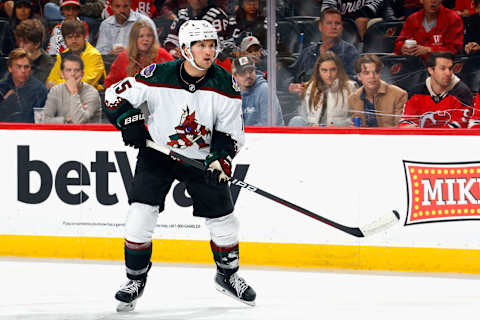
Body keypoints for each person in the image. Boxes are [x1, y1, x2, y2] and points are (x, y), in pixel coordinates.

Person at [103, 20, 255, 312]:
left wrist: (221, 158)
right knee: (139, 215)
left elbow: (231, 132)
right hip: (159, 153)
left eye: (211, 44)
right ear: (185, 49)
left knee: (224, 221)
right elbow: (113, 95)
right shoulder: (158, 74)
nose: (208, 51)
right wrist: (128, 119)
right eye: (201, 45)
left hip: (201, 159)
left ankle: (228, 276)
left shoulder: (226, 84)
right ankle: (135, 280)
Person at [286, 7, 360, 94]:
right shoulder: (308, 52)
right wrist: (290, 85)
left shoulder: (349, 52)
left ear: (341, 27)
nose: (334, 27)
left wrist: (323, 86)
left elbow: (356, 81)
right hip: (304, 102)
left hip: (336, 102)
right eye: (329, 23)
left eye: (337, 23)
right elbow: (289, 75)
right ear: (320, 26)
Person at [399, 51, 474, 128]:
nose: (448, 73)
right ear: (431, 70)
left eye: (450, 68)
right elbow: (406, 122)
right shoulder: (416, 92)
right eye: (443, 68)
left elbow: (458, 128)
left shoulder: (462, 93)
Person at [288, 51, 356, 127]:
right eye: (324, 70)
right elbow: (304, 117)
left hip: (339, 134)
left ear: (338, 70)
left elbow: (355, 118)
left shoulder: (350, 87)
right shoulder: (310, 87)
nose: (329, 75)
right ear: (318, 72)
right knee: (297, 120)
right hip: (314, 134)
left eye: (333, 70)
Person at [105, 20, 173, 88]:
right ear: (134, 39)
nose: (145, 39)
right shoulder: (123, 57)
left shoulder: (162, 55)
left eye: (149, 36)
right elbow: (111, 83)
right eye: (141, 36)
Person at [349, 54, 408, 127]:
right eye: (367, 73)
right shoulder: (353, 98)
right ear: (359, 77)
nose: (372, 77)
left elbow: (401, 127)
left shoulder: (399, 94)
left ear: (380, 73)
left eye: (376, 72)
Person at [163, 0, 232, 62]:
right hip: (183, 58)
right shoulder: (182, 14)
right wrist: (174, 50)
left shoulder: (217, 15)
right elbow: (171, 40)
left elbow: (218, 46)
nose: (197, 0)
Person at [47, 19, 105, 90]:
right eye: (70, 37)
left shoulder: (94, 55)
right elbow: (50, 82)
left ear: (84, 37)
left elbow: (85, 83)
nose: (74, 41)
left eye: (77, 37)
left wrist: (57, 84)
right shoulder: (62, 56)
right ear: (65, 41)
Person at [394, 0, 464, 58]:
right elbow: (399, 42)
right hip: (415, 68)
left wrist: (429, 50)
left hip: (442, 68)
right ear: (421, 0)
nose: (433, 1)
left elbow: (454, 49)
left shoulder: (453, 18)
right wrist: (402, 48)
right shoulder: (412, 19)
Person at [43, 54, 101, 123]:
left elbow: (79, 121)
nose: (72, 74)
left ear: (82, 74)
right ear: (62, 74)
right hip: (62, 133)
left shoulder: (92, 93)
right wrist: (66, 119)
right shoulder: (55, 90)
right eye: (68, 70)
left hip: (88, 133)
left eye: (76, 70)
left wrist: (74, 92)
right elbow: (45, 120)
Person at [232, 56, 284, 126]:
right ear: (235, 76)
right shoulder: (232, 93)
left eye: (250, 71)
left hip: (268, 136)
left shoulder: (264, 90)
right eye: (243, 72)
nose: (248, 75)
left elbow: (267, 125)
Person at [0, 48, 48, 122]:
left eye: (26, 67)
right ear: (10, 68)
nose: (23, 71)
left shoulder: (40, 90)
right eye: (18, 67)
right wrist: (5, 102)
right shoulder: (1, 89)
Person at [14, 18, 54, 84]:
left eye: (25, 42)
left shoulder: (49, 65)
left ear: (36, 44)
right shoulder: (16, 59)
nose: (21, 45)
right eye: (19, 41)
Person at [321, 0, 386, 38]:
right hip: (340, 22)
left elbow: (369, 10)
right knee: (324, 21)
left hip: (367, 31)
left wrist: (346, 20)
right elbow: (327, 10)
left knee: (361, 21)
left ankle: (359, 52)